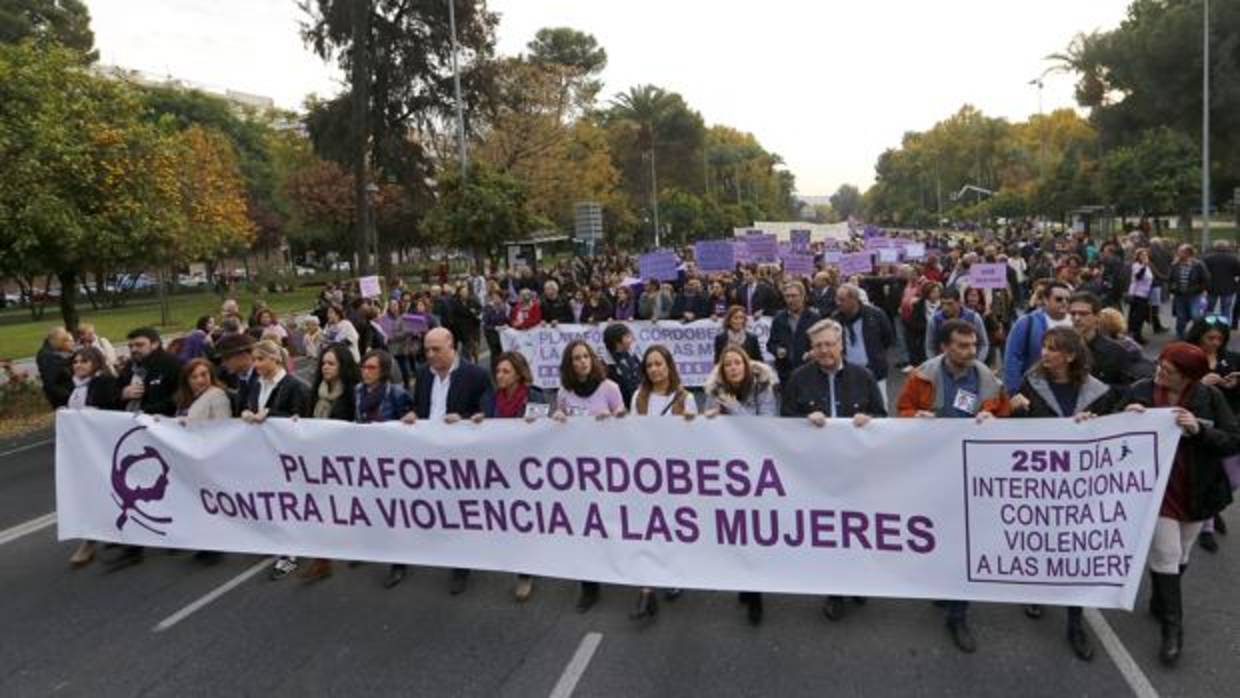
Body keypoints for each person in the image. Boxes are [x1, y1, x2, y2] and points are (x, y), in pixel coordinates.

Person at [897, 319, 1011, 653]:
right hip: (932, 468)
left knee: (966, 539)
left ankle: (958, 614)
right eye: (962, 345)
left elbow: (1003, 416)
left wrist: (994, 419)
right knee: (938, 533)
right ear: (945, 347)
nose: (970, 351)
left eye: (973, 344)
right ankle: (942, 583)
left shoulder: (988, 381)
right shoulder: (921, 376)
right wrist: (914, 418)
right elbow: (902, 410)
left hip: (973, 471)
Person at [1122, 342, 1238, 666]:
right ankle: (1173, 631)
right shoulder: (1141, 390)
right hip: (1155, 492)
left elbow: (1231, 440)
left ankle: (1161, 599)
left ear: (1189, 378)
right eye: (1160, 365)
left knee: (1182, 553)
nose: (1159, 372)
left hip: (1196, 490)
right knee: (1167, 553)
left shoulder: (1209, 398)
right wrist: (1127, 417)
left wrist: (1199, 430)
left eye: (1168, 371)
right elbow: (1108, 424)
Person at [1009, 328, 1117, 661]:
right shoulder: (1031, 383)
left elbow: (1111, 433)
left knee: (1075, 553)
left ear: (1070, 356)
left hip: (1079, 487)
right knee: (1040, 541)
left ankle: (1075, 623)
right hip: (1041, 483)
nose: (1044, 353)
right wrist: (1017, 411)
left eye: (1053, 349)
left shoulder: (1097, 392)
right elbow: (1019, 435)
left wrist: (1095, 423)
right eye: (1043, 347)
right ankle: (1037, 590)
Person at [779, 318, 885, 623]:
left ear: (841, 345)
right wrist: (803, 420)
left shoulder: (863, 376)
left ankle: (857, 581)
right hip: (817, 474)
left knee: (857, 530)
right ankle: (835, 591)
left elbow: (882, 415)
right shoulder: (798, 379)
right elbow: (785, 422)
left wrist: (870, 419)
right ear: (811, 350)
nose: (824, 350)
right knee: (828, 534)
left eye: (829, 344)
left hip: (856, 470)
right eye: (818, 346)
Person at [403, 327, 493, 594]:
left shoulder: (475, 375)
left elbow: (486, 413)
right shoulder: (422, 375)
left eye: (436, 349)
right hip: (429, 454)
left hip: (460, 457)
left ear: (451, 345)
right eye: (427, 349)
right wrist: (412, 416)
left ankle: (460, 567)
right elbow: (421, 408)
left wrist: (465, 420)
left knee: (458, 513)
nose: (430, 355)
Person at [552, 339, 626, 613]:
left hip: (606, 471)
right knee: (584, 529)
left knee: (609, 524)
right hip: (577, 474)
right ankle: (589, 585)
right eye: (576, 358)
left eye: (585, 357)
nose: (582, 362)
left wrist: (617, 416)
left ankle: (618, 567)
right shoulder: (564, 392)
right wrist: (558, 416)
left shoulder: (610, 388)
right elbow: (557, 424)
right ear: (569, 365)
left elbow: (624, 422)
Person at [240, 340, 312, 581]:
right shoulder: (256, 384)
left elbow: (300, 422)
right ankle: (275, 541)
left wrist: (270, 415)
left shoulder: (295, 386)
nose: (255, 364)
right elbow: (250, 408)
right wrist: (247, 413)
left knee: (289, 503)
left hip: (288, 459)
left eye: (260, 359)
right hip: (263, 454)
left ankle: (291, 552)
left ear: (276, 359)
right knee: (271, 501)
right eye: (254, 359)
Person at [297, 344, 362, 583]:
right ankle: (322, 562)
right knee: (321, 513)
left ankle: (361, 546)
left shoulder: (354, 393)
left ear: (343, 366)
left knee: (349, 510)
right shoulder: (317, 392)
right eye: (323, 362)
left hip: (345, 464)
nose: (325, 367)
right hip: (319, 463)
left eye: (331, 363)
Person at [1184, 317, 1240, 553]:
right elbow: (1173, 387)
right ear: (1198, 337)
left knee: (1232, 476)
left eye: (1220, 339)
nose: (1215, 343)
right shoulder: (1186, 358)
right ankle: (1206, 527)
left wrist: (1235, 384)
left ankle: (1214, 507)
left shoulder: (1233, 359)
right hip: (1199, 426)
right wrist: (1201, 383)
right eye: (1210, 338)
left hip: (1228, 424)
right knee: (1206, 473)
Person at [63, 345, 120, 567]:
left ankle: (90, 541)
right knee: (90, 493)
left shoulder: (103, 382)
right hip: (83, 450)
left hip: (102, 450)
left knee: (100, 493)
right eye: (75, 361)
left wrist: (87, 415)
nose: (78, 365)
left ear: (95, 363)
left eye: (84, 361)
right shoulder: (77, 386)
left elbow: (110, 410)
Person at [174, 358, 234, 565]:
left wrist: (189, 425)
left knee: (211, 501)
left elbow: (221, 427)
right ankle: (204, 542)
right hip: (192, 456)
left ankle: (215, 546)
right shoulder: (189, 399)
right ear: (187, 380)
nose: (200, 379)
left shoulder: (216, 396)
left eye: (204, 374)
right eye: (194, 376)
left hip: (209, 456)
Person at [1002, 281, 1072, 393]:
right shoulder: (1027, 322)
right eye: (1058, 299)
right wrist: (1013, 391)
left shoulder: (1075, 322)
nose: (1064, 303)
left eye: (1068, 300)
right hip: (1035, 390)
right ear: (1045, 300)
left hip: (1068, 387)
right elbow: (1013, 358)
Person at [832, 283, 894, 404]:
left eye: (842, 300)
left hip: (875, 370)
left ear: (854, 299)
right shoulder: (836, 319)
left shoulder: (876, 315)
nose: (837, 303)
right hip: (847, 373)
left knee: (879, 407)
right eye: (837, 299)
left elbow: (888, 338)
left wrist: (876, 354)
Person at [703, 344, 778, 419]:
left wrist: (734, 407)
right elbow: (708, 423)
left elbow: (766, 422)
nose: (733, 368)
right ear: (723, 371)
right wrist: (714, 415)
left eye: (738, 363)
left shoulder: (762, 385)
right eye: (727, 364)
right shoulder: (716, 389)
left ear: (746, 366)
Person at [768, 281, 820, 383]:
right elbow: (771, 343)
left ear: (803, 296)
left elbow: (820, 342)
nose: (790, 300)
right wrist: (777, 350)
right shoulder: (779, 319)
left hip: (809, 372)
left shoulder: (814, 318)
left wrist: (813, 353)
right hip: (786, 373)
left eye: (794, 296)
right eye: (787, 296)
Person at [924, 287, 988, 363]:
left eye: (949, 304)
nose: (945, 308)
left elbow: (983, 344)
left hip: (969, 362)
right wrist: (935, 365)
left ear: (959, 302)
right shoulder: (934, 320)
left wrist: (977, 363)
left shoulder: (973, 318)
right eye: (943, 304)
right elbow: (930, 347)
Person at [1168, 244, 1210, 339]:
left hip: (1195, 295)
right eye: (1178, 251)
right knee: (1181, 317)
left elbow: (1206, 279)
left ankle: (1197, 334)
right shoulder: (1175, 265)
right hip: (1179, 295)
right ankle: (1180, 334)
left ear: (1188, 253)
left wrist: (1199, 289)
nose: (1178, 253)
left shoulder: (1198, 265)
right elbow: (1170, 279)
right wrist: (1172, 289)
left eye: (1181, 251)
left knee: (1196, 316)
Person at [603, 323, 642, 408]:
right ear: (617, 342)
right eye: (627, 337)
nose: (631, 340)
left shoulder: (633, 357)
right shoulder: (607, 364)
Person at [36, 327, 74, 409]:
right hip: (62, 399)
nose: (64, 342)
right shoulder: (48, 356)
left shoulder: (51, 352)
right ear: (55, 339)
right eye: (63, 339)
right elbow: (51, 382)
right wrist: (69, 396)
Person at [1202, 240, 1239, 320]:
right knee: (1226, 310)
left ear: (1215, 247)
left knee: (1209, 309)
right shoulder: (1233, 259)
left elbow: (1203, 273)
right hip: (1228, 288)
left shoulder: (1208, 259)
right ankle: (1225, 328)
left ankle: (1208, 327)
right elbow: (1237, 273)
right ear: (1227, 248)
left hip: (1211, 287)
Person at [1128, 247, 1155, 344]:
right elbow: (1138, 276)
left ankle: (1136, 335)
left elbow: (1150, 279)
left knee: (1140, 316)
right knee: (1137, 317)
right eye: (1142, 255)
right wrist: (1144, 265)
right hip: (1137, 294)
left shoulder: (1147, 267)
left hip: (1145, 294)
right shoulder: (1136, 265)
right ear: (1138, 257)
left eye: (1145, 255)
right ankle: (1136, 337)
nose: (1144, 257)